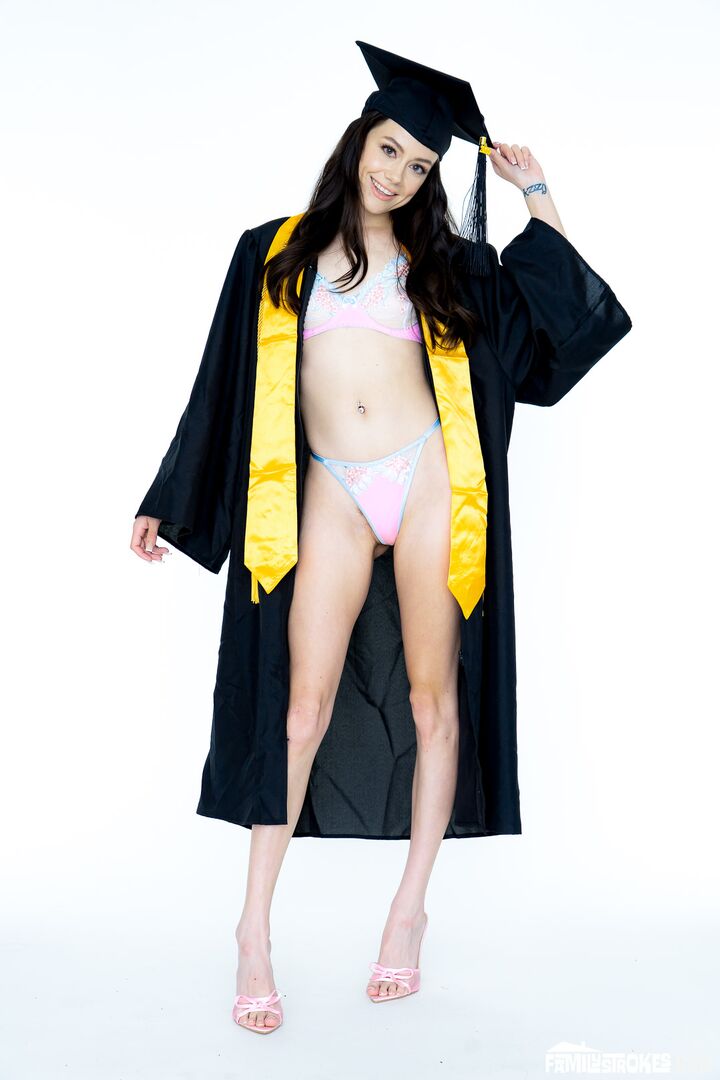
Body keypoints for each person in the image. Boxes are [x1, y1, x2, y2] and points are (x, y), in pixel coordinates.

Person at [130, 41, 632, 1034]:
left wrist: (538, 196)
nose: (397, 173)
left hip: (431, 477)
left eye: (418, 164)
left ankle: (409, 913)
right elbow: (222, 383)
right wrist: (169, 495)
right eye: (389, 149)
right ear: (360, 138)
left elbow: (551, 334)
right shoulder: (270, 253)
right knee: (300, 710)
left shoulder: (448, 267)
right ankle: (252, 930)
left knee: (434, 700)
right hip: (333, 486)